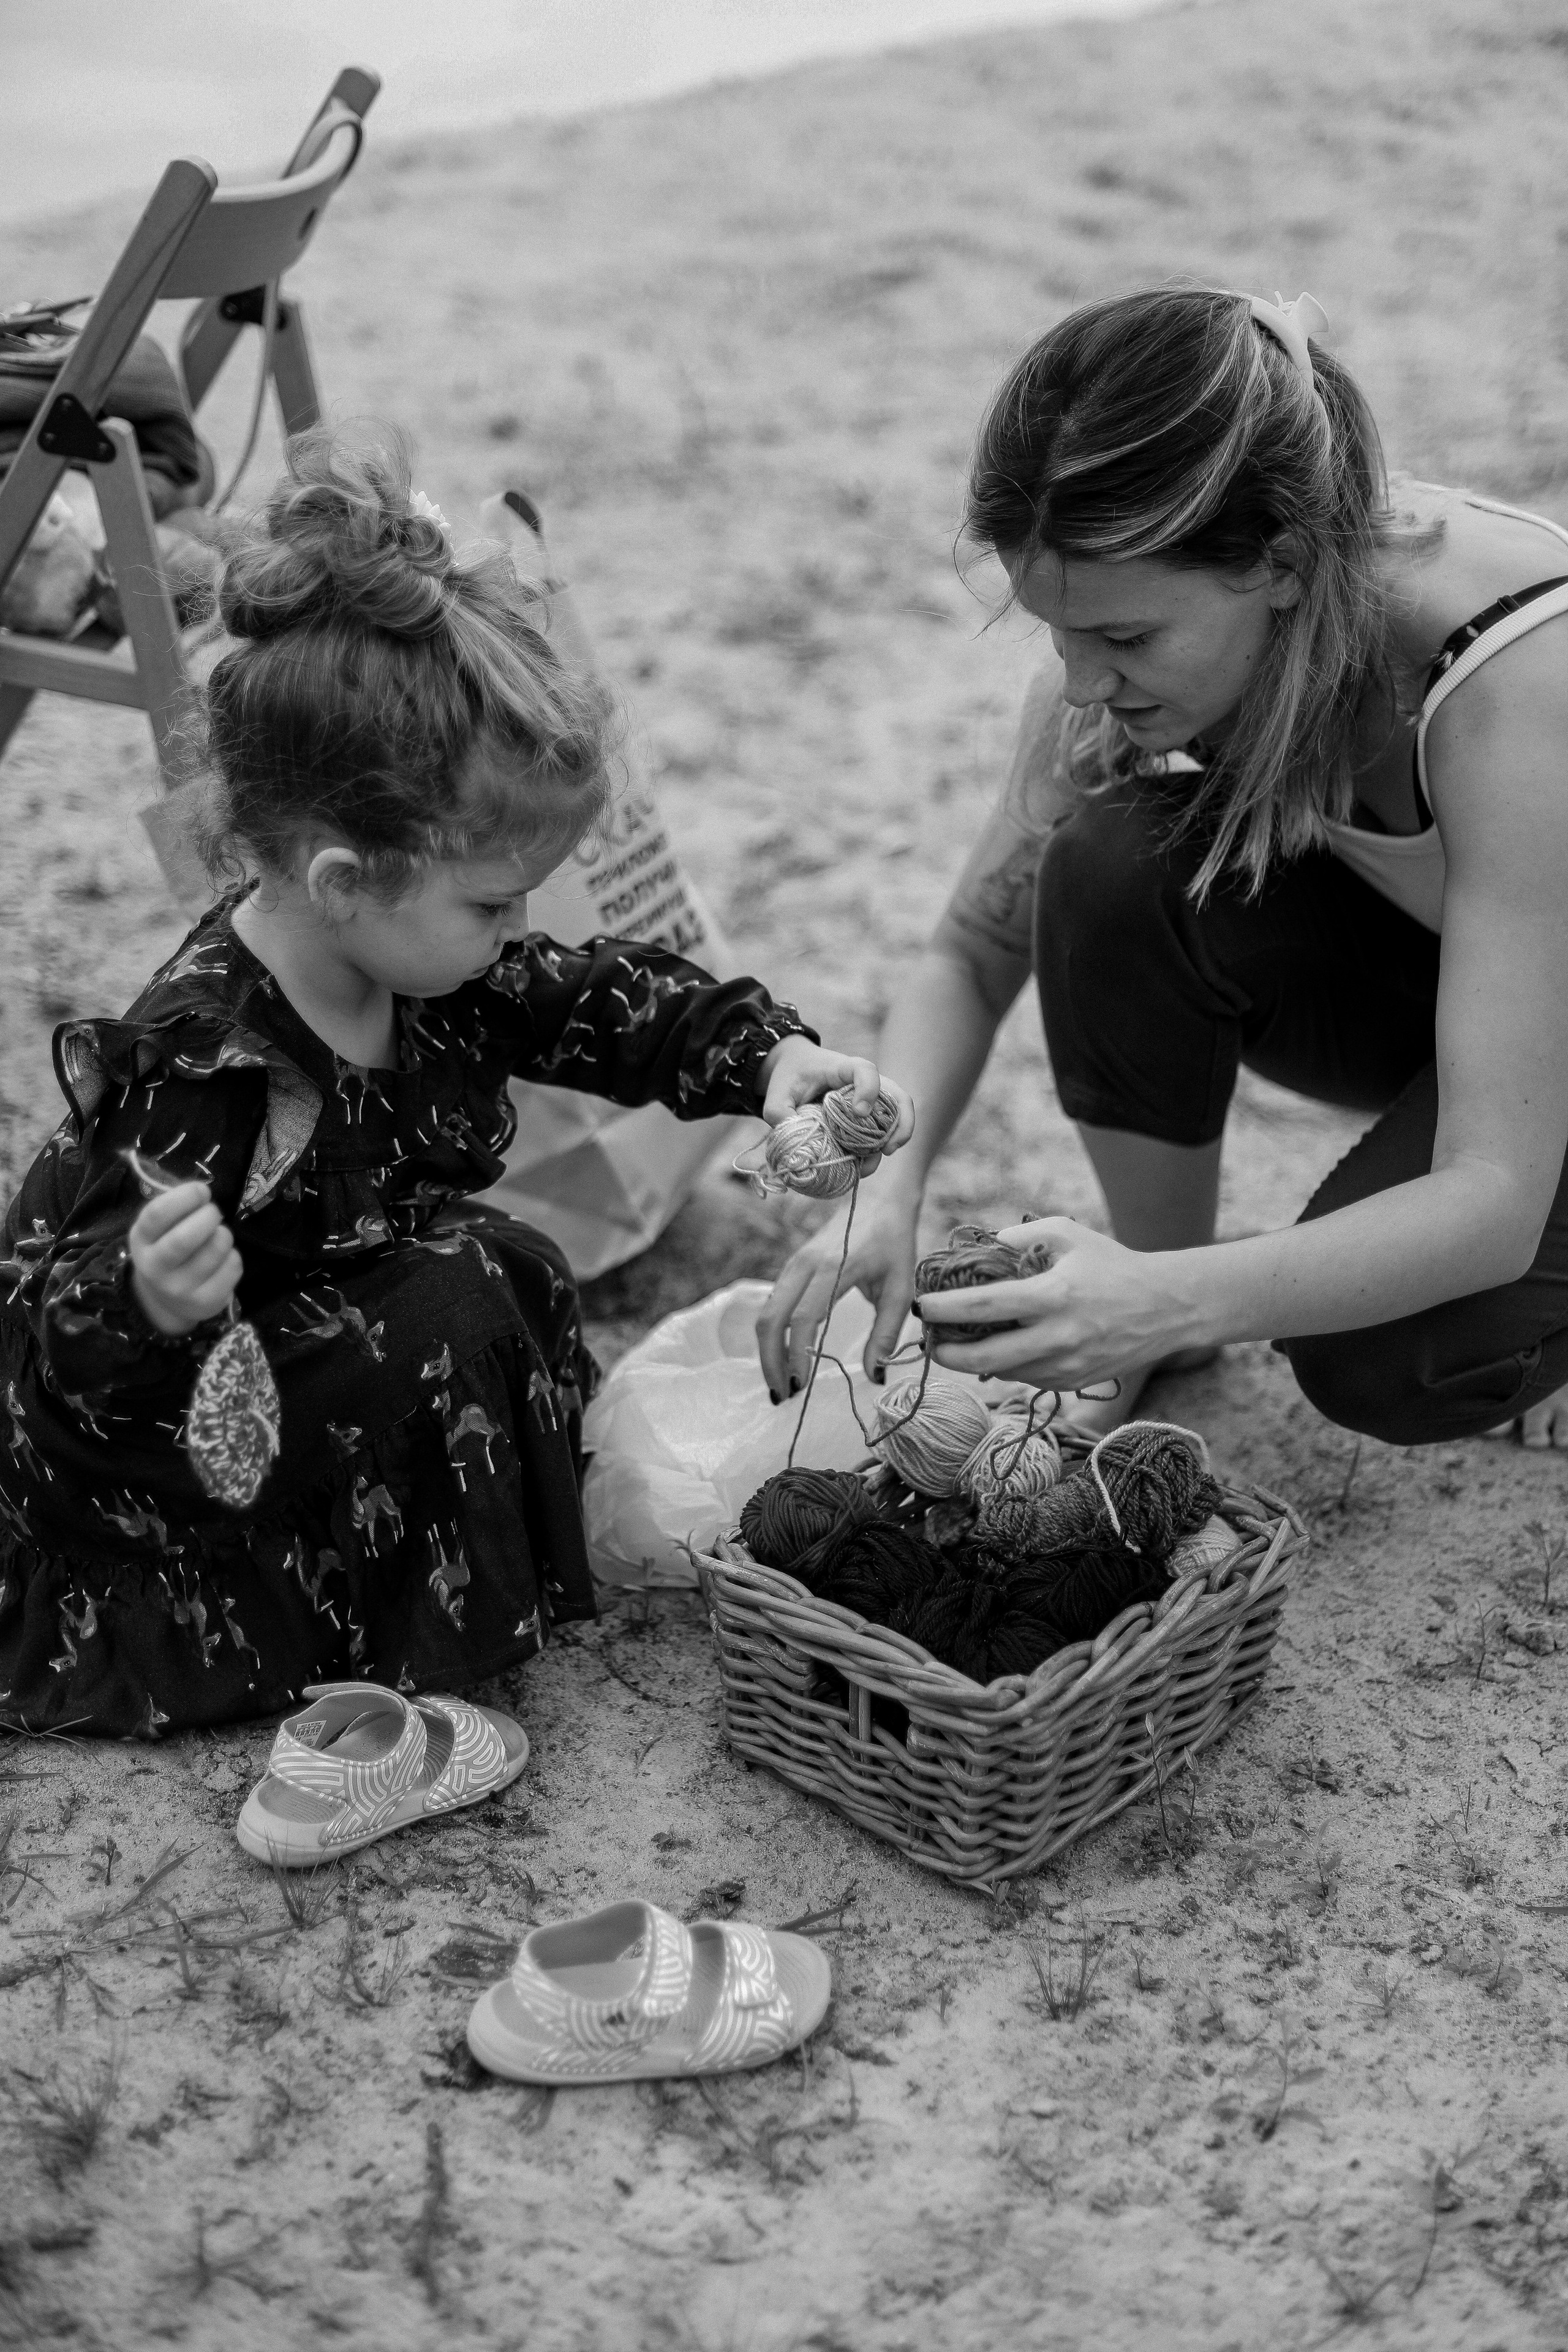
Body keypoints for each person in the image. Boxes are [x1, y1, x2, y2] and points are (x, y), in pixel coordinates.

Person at [0, 428, 911, 1738]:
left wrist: (764, 1056)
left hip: (300, 1318)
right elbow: (71, 1342)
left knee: (508, 1267)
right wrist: (149, 1295)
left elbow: (595, 1000)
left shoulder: (420, 954)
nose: (517, 928)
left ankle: (465, 1556)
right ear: (344, 879)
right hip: (153, 1442)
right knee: (459, 1307)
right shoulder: (211, 1067)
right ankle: (381, 1645)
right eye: (494, 902)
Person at [758, 287, 1568, 1452]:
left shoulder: (1513, 684)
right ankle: (1149, 1296)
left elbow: (1490, 1197)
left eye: (1127, 639)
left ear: (1284, 562)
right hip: (1480, 988)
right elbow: (970, 955)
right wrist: (890, 1182)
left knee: (1389, 1353)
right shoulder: (1170, 613)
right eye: (1058, 633)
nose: (1084, 684)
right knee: (1107, 865)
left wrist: (1173, 1298)